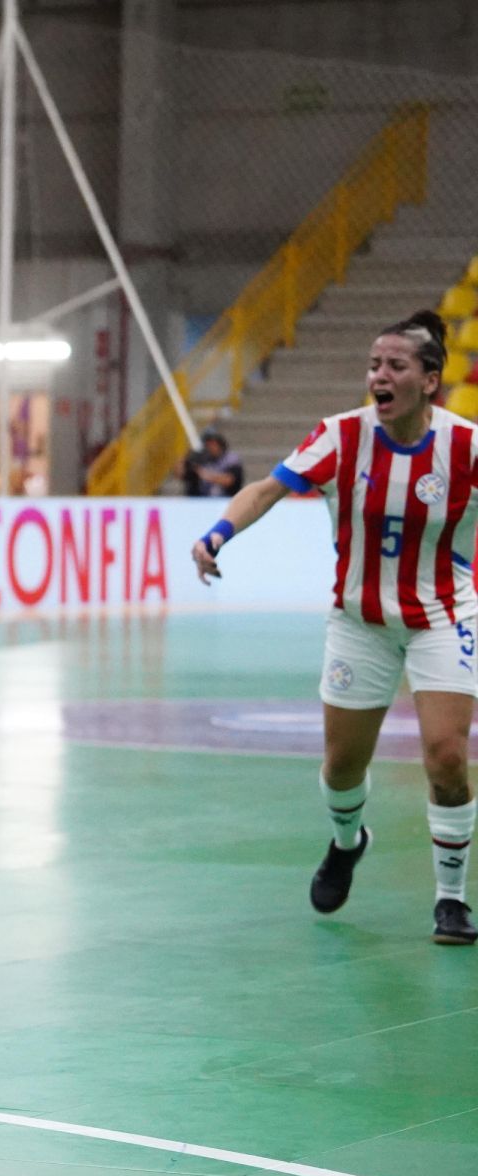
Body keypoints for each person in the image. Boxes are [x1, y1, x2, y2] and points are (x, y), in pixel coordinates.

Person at [192, 310, 478, 946]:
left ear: (430, 381)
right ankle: (348, 842)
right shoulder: (342, 437)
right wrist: (218, 534)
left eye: (395, 366)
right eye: (374, 364)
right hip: (360, 624)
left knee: (447, 756)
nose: (379, 376)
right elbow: (266, 488)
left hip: (443, 616)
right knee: (343, 766)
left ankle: (452, 901)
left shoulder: (466, 446)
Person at [181, 429, 244, 497]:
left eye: (213, 443)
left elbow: (229, 480)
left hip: (225, 499)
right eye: (207, 444)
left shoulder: (231, 459)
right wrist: (183, 458)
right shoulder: (201, 458)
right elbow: (182, 475)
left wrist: (204, 474)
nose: (210, 446)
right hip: (202, 500)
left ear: (220, 443)